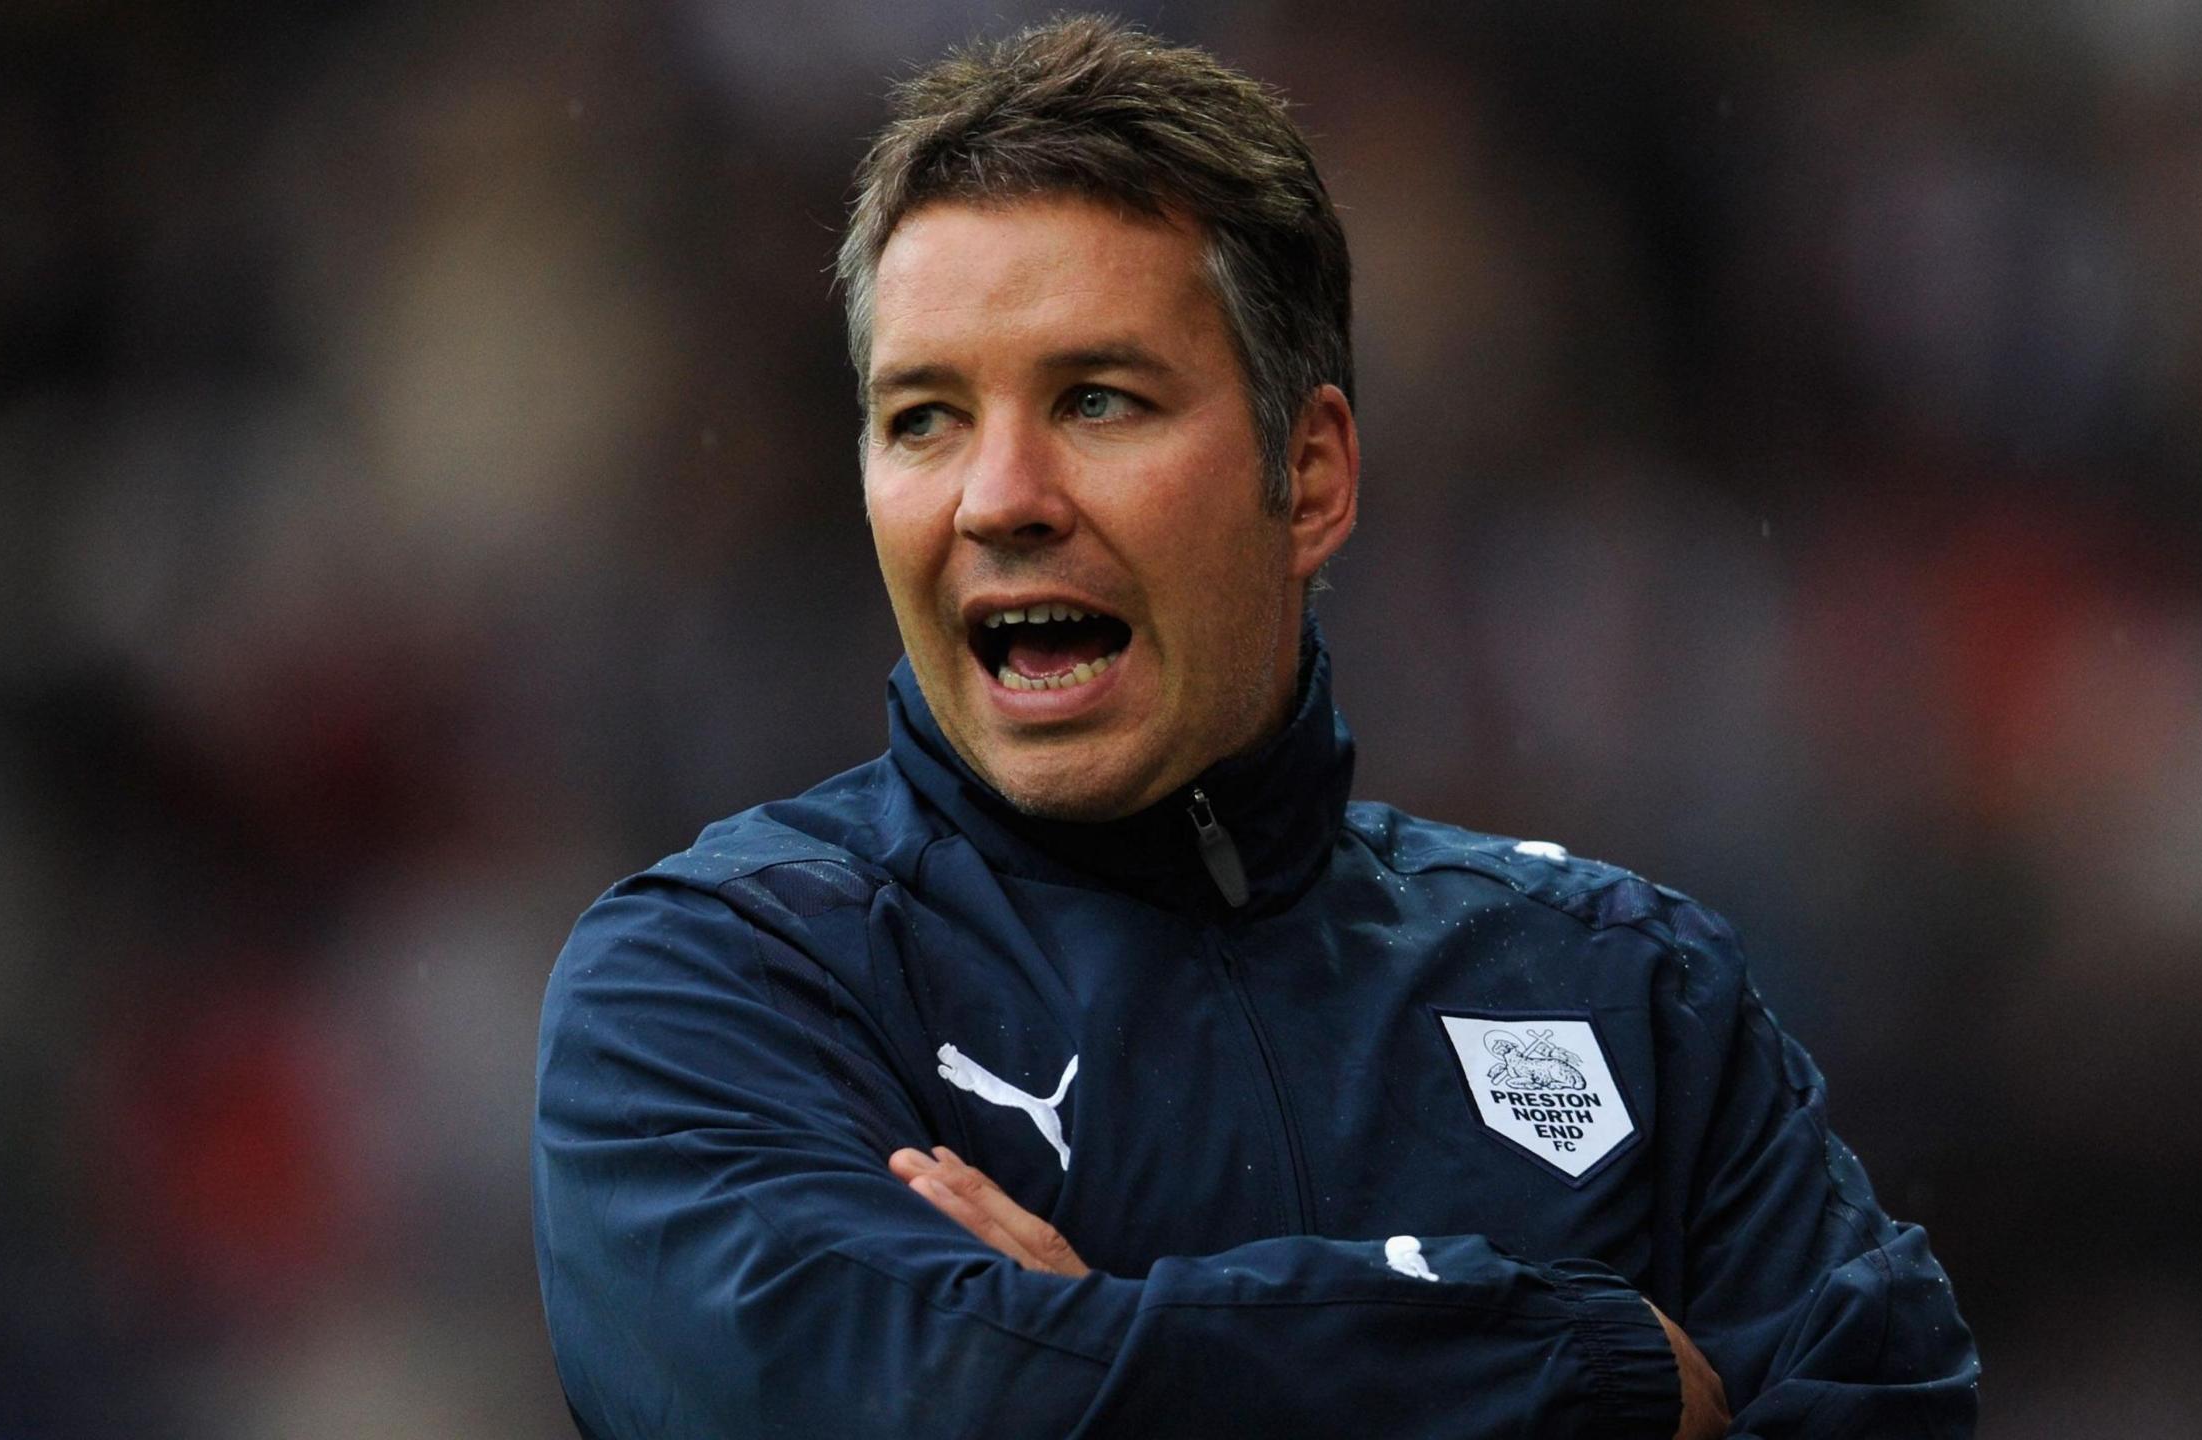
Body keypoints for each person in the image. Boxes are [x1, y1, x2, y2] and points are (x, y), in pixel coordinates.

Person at [532, 16, 1979, 1439]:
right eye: (924, 418)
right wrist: (1570, 1361)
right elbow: (913, 1399)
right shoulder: (725, 990)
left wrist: (1101, 1348)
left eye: (1096, 399)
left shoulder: (1632, 1001)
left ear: (1312, 474)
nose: (998, 496)